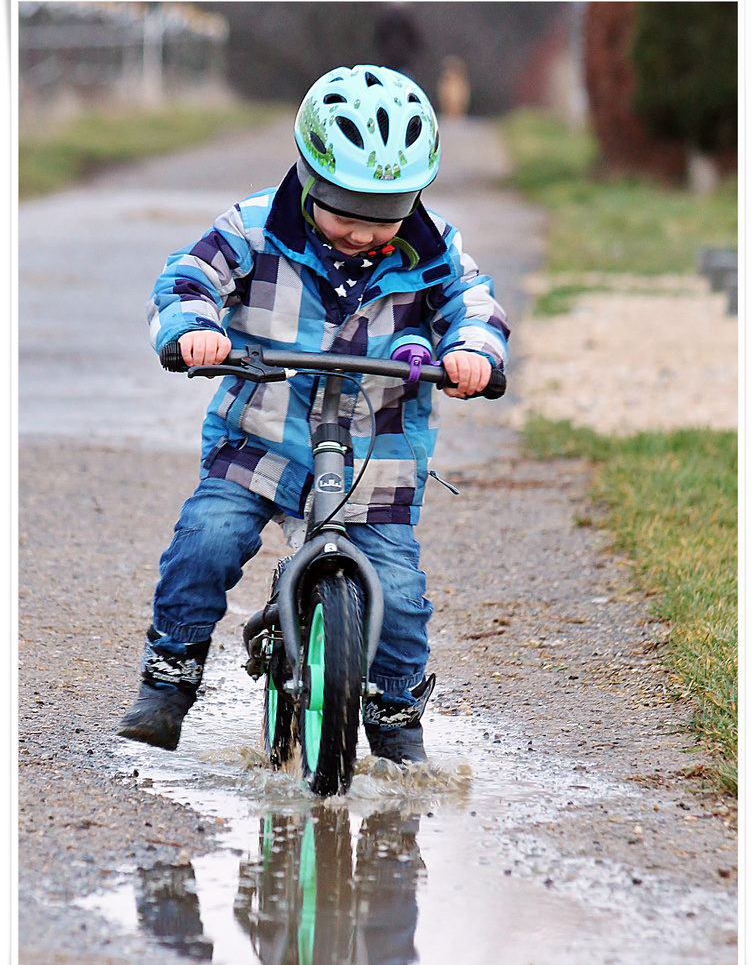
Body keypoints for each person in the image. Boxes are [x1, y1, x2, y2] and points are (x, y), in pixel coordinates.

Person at [118, 64, 509, 764]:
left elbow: (472, 305)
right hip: (260, 436)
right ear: (308, 179)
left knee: (398, 593)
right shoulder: (253, 227)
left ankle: (393, 718)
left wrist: (472, 351)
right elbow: (185, 280)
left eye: (382, 217)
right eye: (344, 213)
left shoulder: (436, 248)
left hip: (376, 454)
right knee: (205, 540)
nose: (361, 233)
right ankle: (171, 671)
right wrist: (193, 329)